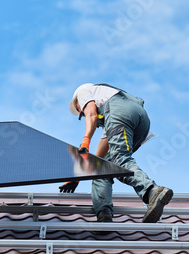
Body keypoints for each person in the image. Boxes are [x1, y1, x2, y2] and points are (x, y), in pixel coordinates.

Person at [59, 83, 173, 223]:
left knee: (120, 159)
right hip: (140, 119)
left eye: (80, 112)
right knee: (103, 167)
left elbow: (92, 115)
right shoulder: (108, 108)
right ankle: (104, 213)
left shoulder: (83, 91)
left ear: (78, 102)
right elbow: (97, 160)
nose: (82, 115)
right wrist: (79, 176)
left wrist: (86, 141)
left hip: (119, 113)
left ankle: (152, 191)